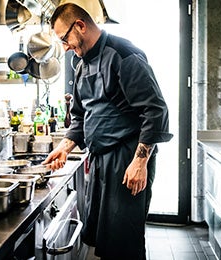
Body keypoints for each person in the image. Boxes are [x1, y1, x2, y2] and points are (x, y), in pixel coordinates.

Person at [44, 3, 173, 259]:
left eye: (64, 39)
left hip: (126, 160)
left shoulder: (124, 55)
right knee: (103, 239)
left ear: (80, 25)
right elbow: (81, 115)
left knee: (123, 242)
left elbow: (155, 111)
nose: (65, 47)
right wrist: (65, 146)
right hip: (100, 160)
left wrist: (139, 162)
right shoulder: (80, 65)